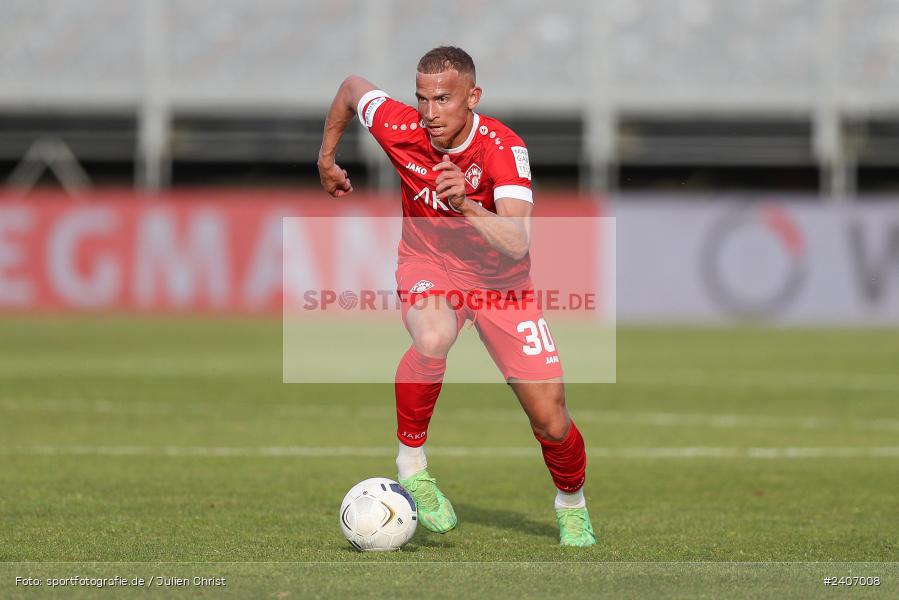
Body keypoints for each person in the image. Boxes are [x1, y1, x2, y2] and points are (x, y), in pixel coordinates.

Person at [317, 46, 595, 546]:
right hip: (430, 264)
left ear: (473, 96)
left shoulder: (502, 149)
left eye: (443, 99)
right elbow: (352, 88)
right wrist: (326, 158)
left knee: (551, 420)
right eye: (422, 98)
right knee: (434, 332)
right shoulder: (402, 126)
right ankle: (412, 467)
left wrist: (464, 202)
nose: (429, 113)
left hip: (500, 286)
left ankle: (571, 503)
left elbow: (517, 241)